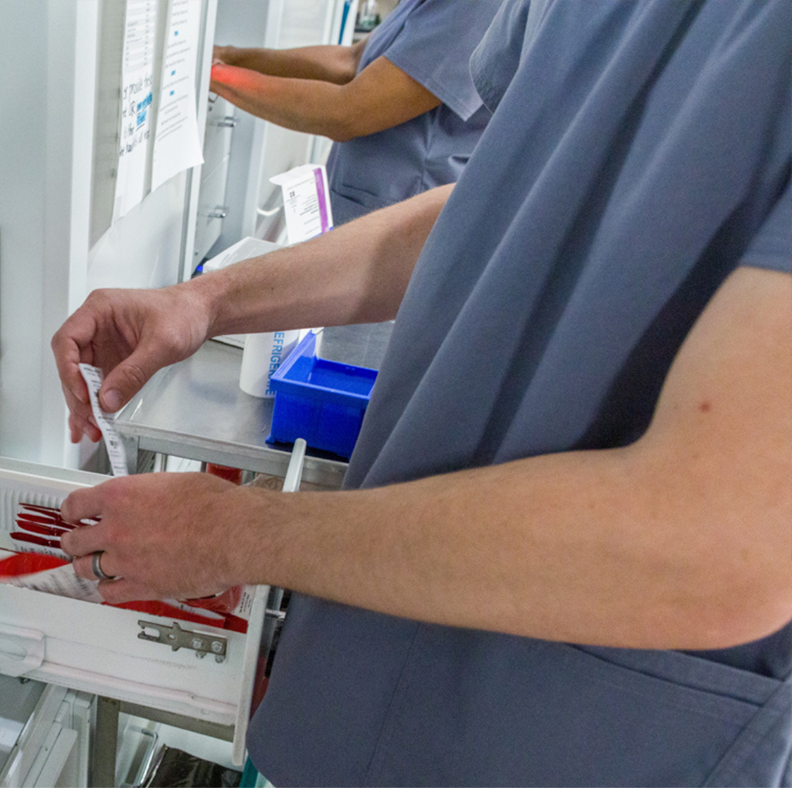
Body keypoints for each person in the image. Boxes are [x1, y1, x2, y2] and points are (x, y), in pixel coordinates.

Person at [51, 0, 792, 783]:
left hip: (576, 729)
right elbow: (502, 201)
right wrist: (207, 301)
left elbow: (716, 549)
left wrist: (239, 534)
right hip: (374, 674)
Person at [210, 0, 500, 225]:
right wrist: (229, 56)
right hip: (365, 211)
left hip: (398, 220)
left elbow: (346, 113)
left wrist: (213, 75)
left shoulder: (477, 7)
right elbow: (350, 61)